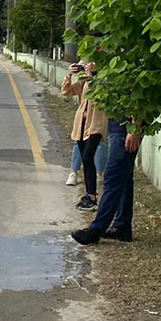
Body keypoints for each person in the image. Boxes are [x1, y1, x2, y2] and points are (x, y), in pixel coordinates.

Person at [71, 118, 142, 245]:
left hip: (126, 129)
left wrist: (135, 128)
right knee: (124, 178)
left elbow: (140, 101)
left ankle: (96, 229)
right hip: (119, 128)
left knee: (112, 178)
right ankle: (122, 227)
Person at [62, 61, 108, 210]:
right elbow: (67, 91)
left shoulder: (105, 77)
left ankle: (92, 196)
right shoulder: (83, 80)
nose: (90, 64)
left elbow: (102, 95)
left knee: (88, 157)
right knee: (86, 160)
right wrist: (70, 74)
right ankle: (90, 195)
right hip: (81, 123)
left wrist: (92, 76)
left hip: (96, 123)